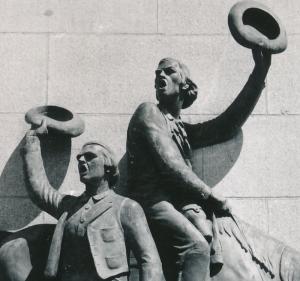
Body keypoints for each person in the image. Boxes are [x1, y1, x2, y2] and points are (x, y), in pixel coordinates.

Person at [126, 49, 271, 281]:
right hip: (152, 201)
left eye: (169, 71)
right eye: (157, 73)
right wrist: (210, 195)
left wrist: (259, 73)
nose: (159, 76)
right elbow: (170, 164)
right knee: (196, 247)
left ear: (184, 84)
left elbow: (226, 125)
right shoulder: (149, 112)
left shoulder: (181, 128)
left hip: (175, 205)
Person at [22, 120, 163, 281]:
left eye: (90, 157)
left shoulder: (126, 207)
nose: (81, 160)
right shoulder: (69, 206)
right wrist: (32, 140)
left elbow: (149, 260)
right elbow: (39, 189)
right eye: (79, 158)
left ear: (107, 166)